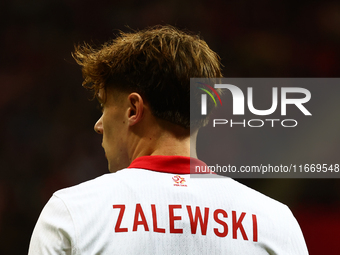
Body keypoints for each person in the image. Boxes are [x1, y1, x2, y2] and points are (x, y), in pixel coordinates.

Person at [28, 25, 308, 254]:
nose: (99, 125)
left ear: (133, 109)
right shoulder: (276, 222)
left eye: (103, 106)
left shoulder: (71, 213)